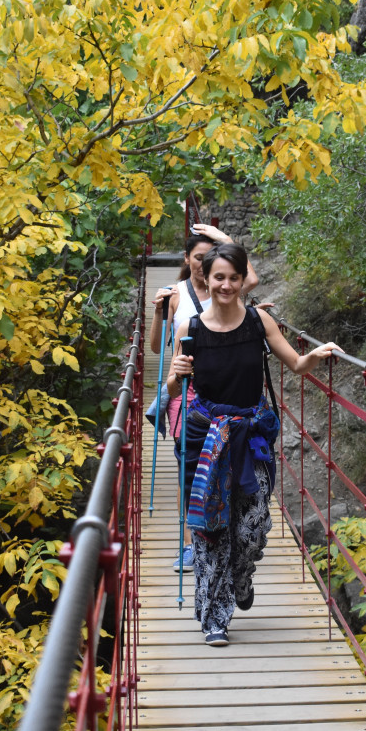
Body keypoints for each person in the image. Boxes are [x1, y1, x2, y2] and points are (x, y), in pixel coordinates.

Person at [166, 242, 341, 646]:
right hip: (206, 434)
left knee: (252, 527)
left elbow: (295, 365)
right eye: (218, 278)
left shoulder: (259, 322)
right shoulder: (189, 329)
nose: (226, 285)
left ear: (244, 280)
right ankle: (214, 618)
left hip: (252, 434)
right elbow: (176, 387)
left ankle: (241, 577)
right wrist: (175, 375)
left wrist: (316, 353)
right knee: (211, 529)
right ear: (206, 281)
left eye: (233, 277)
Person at [150, 223, 259, 572]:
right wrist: (157, 312)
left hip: (226, 394)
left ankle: (225, 535)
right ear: (187, 259)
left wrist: (225, 239)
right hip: (188, 392)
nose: (201, 264)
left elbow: (247, 278)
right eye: (197, 258)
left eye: (206, 258)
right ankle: (191, 541)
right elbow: (156, 348)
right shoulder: (174, 294)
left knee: (220, 469)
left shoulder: (226, 287)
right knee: (192, 465)